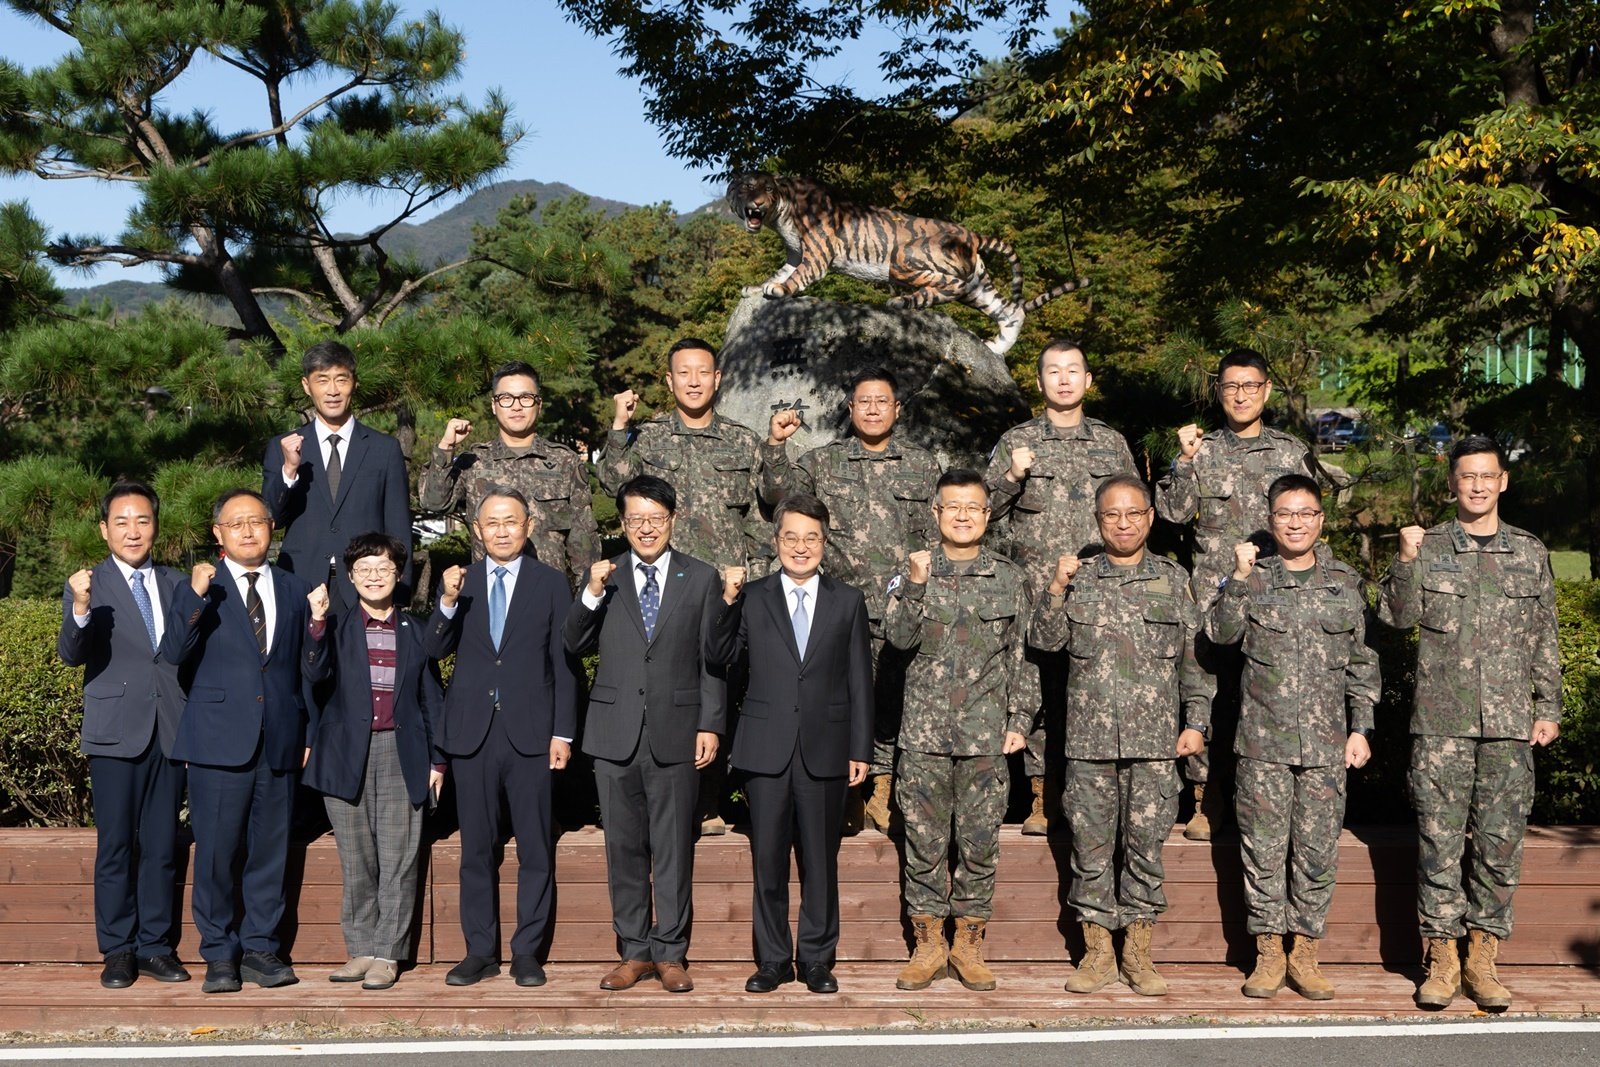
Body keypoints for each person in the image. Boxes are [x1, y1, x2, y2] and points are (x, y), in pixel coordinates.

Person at [1379, 435, 1561, 1012]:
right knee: (1437, 844)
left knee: (1499, 845)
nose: (1478, 486)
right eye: (1467, 477)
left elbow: (1544, 637)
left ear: (1503, 481)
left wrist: (1548, 707)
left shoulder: (1530, 552)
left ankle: (1483, 956)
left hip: (1509, 725)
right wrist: (1406, 562)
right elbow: (1396, 617)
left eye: (1487, 476)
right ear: (1452, 484)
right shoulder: (1427, 547)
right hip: (1442, 725)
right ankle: (1441, 957)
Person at [1029, 475, 1211, 997]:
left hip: (1154, 745)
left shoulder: (1174, 581)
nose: (1124, 523)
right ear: (1098, 519)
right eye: (1112, 515)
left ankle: (1137, 950)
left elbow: (1193, 663)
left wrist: (1196, 723)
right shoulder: (1078, 578)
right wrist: (1057, 588)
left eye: (1134, 513)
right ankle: (1097, 952)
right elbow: (1044, 642)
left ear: (1151, 517)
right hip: (1088, 745)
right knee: (1089, 849)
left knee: (1144, 850)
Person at [1208, 475, 1379, 1000]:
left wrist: (1361, 726)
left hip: (1328, 746)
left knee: (1315, 853)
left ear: (1321, 520)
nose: (1296, 522)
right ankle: (1267, 953)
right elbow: (1219, 634)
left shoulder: (1345, 583)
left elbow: (1362, 661)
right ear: (1271, 519)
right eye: (1285, 513)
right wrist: (1236, 579)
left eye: (1306, 513)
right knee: (1262, 851)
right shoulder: (1250, 579)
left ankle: (1304, 953)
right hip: (1263, 745)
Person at [563, 475, 726, 994]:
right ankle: (633, 951)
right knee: (624, 849)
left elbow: (713, 661)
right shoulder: (604, 577)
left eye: (656, 518)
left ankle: (671, 953)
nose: (646, 528)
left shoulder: (699, 578)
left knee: (675, 847)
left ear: (673, 520)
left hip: (678, 732)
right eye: (636, 519)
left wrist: (710, 722)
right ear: (623, 523)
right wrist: (589, 593)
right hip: (614, 734)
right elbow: (573, 643)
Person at [164, 489, 331, 994]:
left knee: (270, 851)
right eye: (235, 523)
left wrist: (320, 626)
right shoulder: (199, 587)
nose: (248, 531)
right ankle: (218, 953)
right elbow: (175, 651)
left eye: (256, 521)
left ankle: (261, 947)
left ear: (271, 528)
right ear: (218, 533)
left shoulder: (296, 588)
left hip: (279, 737)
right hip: (217, 741)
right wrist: (194, 595)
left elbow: (311, 673)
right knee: (216, 852)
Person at [600, 337, 767, 835]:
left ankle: (712, 802)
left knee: (726, 687)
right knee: (673, 690)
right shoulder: (647, 439)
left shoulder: (743, 441)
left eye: (703, 373)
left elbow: (760, 519)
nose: (694, 381)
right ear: (669, 381)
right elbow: (614, 484)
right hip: (663, 590)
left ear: (718, 380)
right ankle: (675, 801)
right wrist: (619, 427)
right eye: (683, 373)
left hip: (722, 591)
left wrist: (751, 578)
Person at [707, 492, 873, 995]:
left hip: (826, 748)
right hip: (766, 748)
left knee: (821, 862)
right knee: (769, 861)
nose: (801, 548)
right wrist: (727, 602)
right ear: (775, 541)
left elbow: (859, 679)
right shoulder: (753, 596)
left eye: (812, 539)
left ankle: (817, 959)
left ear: (825, 543)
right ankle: (774, 960)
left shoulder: (848, 600)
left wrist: (860, 749)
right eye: (791, 538)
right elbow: (719, 655)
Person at [763, 366, 941, 834]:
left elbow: (938, 536)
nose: (874, 409)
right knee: (838, 702)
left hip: (903, 610)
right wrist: (777, 446)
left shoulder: (923, 466)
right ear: (850, 409)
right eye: (864, 401)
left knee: (896, 705)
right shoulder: (824, 463)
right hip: (838, 610)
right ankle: (848, 795)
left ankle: (883, 793)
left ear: (898, 409)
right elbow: (778, 496)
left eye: (883, 401)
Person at [1154, 347, 1315, 840]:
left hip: (1275, 594)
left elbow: (1308, 521)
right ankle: (1206, 798)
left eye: (1250, 386)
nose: (1241, 395)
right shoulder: (1200, 451)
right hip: (1212, 592)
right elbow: (1174, 515)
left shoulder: (1291, 453)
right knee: (1205, 694)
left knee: (1265, 699)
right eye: (1231, 387)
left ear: (1266, 390)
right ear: (1218, 392)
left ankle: (1259, 802)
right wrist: (1182, 462)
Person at [882, 469, 1030, 992]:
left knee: (979, 843)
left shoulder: (1010, 578)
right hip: (923, 735)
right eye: (953, 507)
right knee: (923, 843)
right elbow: (896, 643)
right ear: (935, 512)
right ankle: (927, 944)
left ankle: (968, 942)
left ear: (988, 515)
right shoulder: (909, 572)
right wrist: (917, 587)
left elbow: (1022, 658)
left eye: (973, 507)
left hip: (985, 738)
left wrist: (1020, 721)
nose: (963, 515)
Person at [423, 488, 577, 989]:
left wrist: (562, 731)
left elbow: (565, 664)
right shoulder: (458, 584)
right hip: (473, 735)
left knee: (536, 848)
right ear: (477, 530)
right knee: (476, 850)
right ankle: (479, 951)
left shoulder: (551, 583)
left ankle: (527, 953)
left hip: (532, 733)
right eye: (493, 523)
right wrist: (446, 600)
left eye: (512, 521)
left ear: (528, 526)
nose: (503, 530)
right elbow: (433, 647)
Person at [984, 339, 1137, 835]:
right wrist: (1011, 475)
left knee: (1092, 693)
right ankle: (1039, 797)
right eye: (1054, 371)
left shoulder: (1112, 444)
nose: (1064, 379)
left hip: (1100, 592)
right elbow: (979, 515)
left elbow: (1133, 512)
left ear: (1088, 381)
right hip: (1035, 591)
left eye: (1074, 370)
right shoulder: (1017, 440)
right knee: (1037, 687)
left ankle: (1092, 798)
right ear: (1040, 381)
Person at [57, 481, 190, 989]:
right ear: (104, 529)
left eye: (142, 521)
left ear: (156, 526)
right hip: (115, 732)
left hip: (170, 729)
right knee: (116, 844)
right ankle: (117, 949)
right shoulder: (87, 584)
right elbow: (72, 653)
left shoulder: (179, 583)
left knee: (160, 844)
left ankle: (155, 946)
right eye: (122, 521)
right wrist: (81, 607)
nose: (133, 531)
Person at [302, 532, 446, 991]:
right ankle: (361, 949)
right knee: (356, 857)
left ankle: (388, 953)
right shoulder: (337, 627)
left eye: (383, 568)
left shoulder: (417, 630)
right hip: (346, 754)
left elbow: (432, 700)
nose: (374, 576)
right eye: (364, 569)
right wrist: (318, 623)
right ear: (350, 577)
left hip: (403, 752)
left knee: (400, 858)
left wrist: (438, 762)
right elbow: (314, 673)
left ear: (397, 574)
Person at [418, 360, 599, 591]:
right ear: (494, 405)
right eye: (506, 398)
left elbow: (583, 542)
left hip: (547, 595)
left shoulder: (565, 462)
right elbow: (434, 502)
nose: (516, 406)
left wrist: (584, 602)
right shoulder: (474, 462)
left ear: (539, 404)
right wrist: (445, 448)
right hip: (490, 593)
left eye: (526, 398)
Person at [262, 341, 412, 607]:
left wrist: (400, 593)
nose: (332, 390)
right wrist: (289, 470)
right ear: (307, 386)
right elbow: (271, 517)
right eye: (322, 380)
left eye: (341, 379)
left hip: (367, 584)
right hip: (301, 581)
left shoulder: (384, 448)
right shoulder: (283, 446)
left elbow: (398, 525)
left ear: (354, 383)